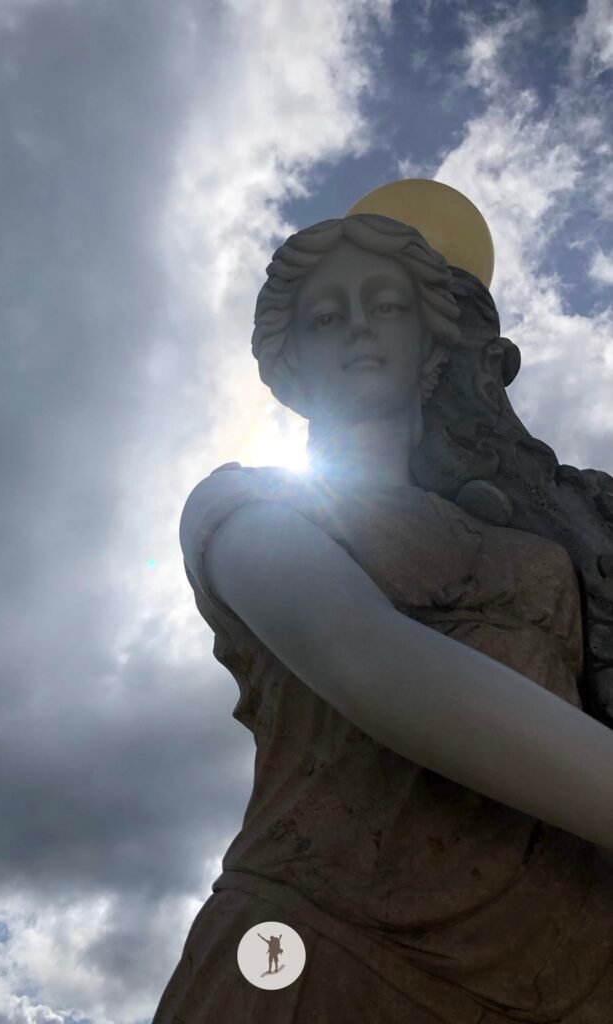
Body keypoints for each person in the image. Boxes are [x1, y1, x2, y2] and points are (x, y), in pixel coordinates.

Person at [153, 213, 613, 1023]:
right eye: (327, 316)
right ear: (286, 365)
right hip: (320, 947)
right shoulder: (243, 506)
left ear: (433, 345)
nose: (359, 325)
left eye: (386, 306)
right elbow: (371, 661)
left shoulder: (536, 543)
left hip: (561, 965)